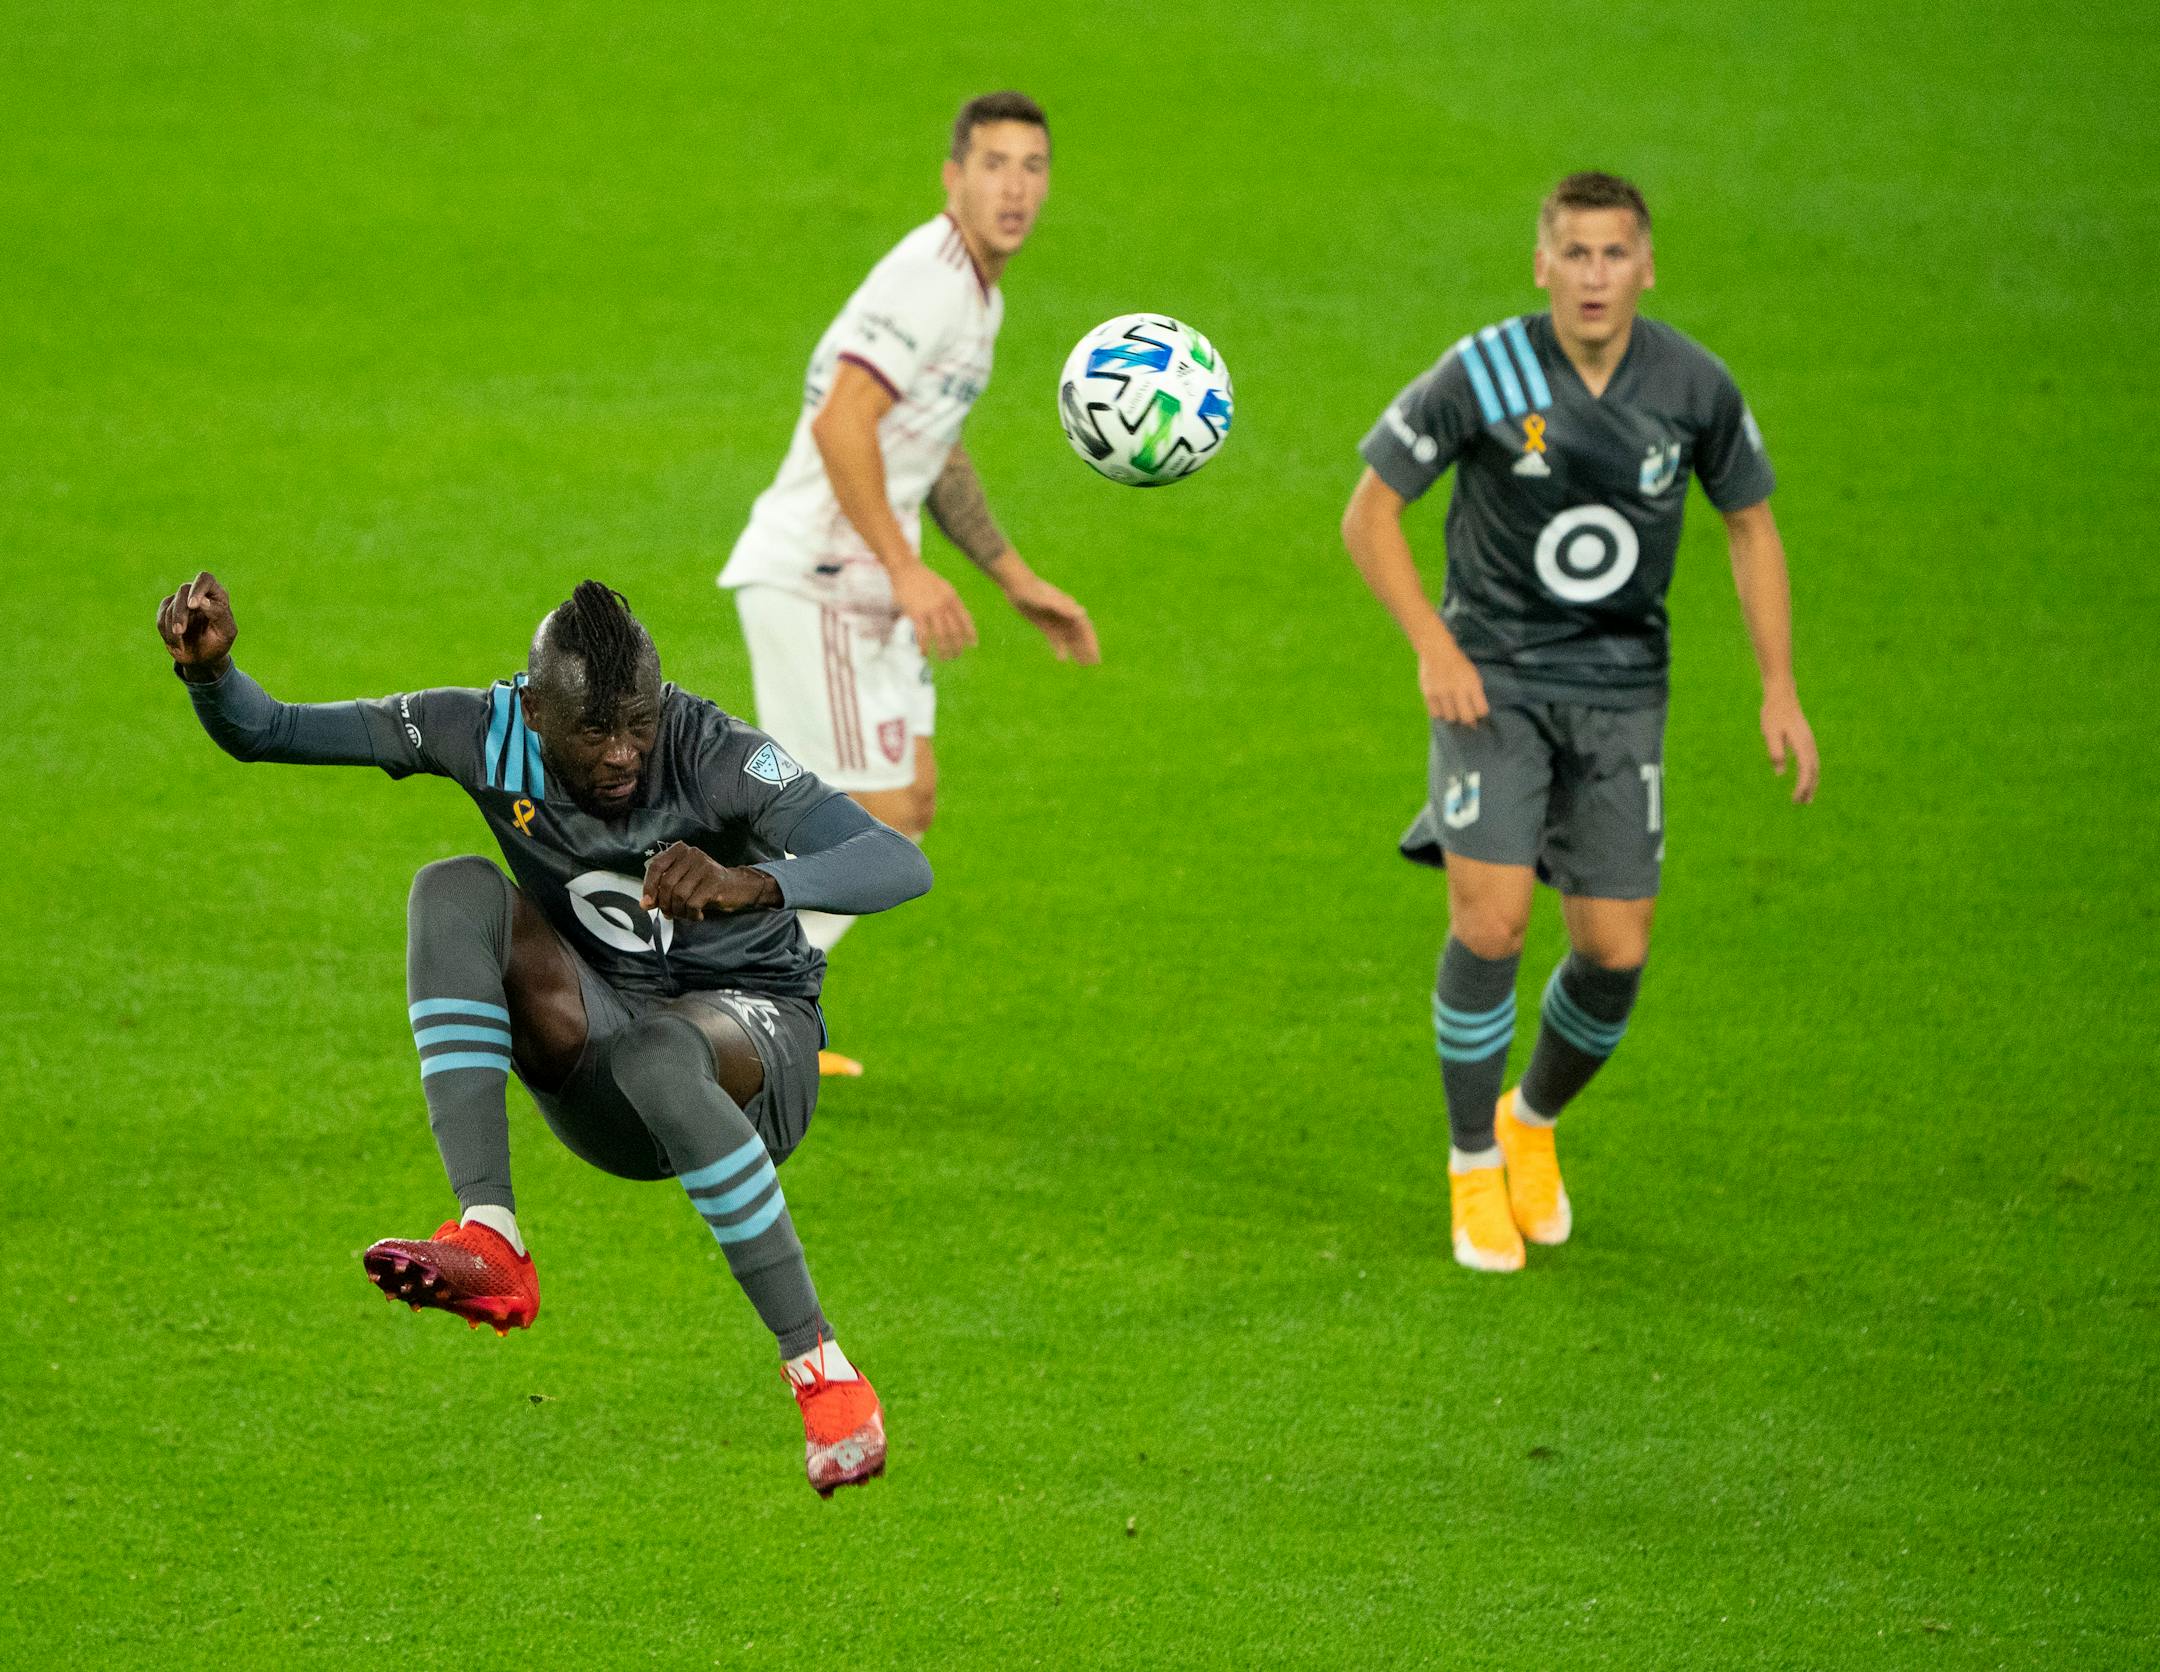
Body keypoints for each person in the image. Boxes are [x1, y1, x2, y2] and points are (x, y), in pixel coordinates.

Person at [156, 572, 930, 1494]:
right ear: (534, 711)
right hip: (600, 1072)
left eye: (638, 723)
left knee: (661, 1050)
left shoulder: (714, 750)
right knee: (454, 887)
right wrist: (212, 675)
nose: (622, 755)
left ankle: (821, 1368)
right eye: (593, 732)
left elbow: (898, 862)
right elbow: (271, 730)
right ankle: (491, 1238)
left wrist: (757, 882)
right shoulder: (482, 731)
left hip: (756, 1065)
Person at [1340, 171, 1820, 1274]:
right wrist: (1435, 643)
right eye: (1575, 252)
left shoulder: (1692, 385)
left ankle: (1530, 1122)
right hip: (1492, 682)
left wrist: (1778, 685)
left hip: (1620, 691)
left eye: (1615, 254)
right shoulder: (1487, 371)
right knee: (1494, 923)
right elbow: (1370, 516)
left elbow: (1750, 527)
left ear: (1646, 266)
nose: (1595, 275)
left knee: (1614, 949)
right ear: (1542, 263)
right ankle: (1471, 1164)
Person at [718, 91, 1099, 1071]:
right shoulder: (927, 280)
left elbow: (934, 447)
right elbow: (842, 421)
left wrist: (1011, 575)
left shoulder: (978, 294)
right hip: (821, 577)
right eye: (994, 164)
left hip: (862, 581)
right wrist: (906, 569)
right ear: (953, 177)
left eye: (1033, 167)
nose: (1015, 187)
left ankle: (751, 995)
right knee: (865, 814)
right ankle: (729, 996)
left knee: (907, 801)